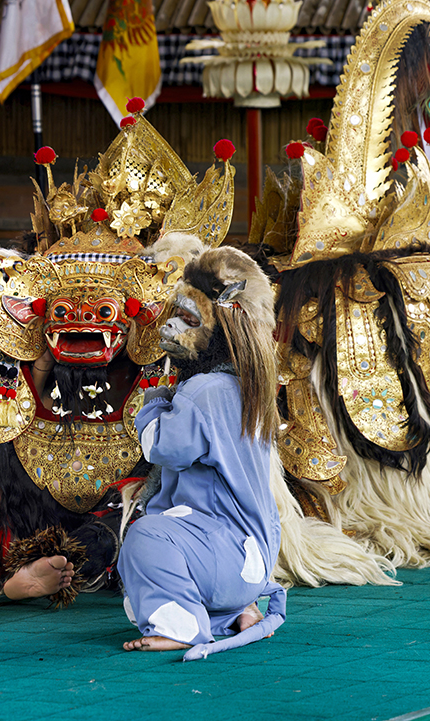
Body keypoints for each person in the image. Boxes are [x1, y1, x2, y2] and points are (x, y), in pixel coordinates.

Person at [116, 246, 286, 660]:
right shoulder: (248, 389)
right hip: (251, 558)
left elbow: (162, 447)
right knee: (143, 572)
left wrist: (155, 401)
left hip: (226, 555)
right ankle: (232, 612)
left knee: (145, 540)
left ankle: (184, 626)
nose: (171, 327)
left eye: (189, 319)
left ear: (223, 322)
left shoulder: (203, 391)